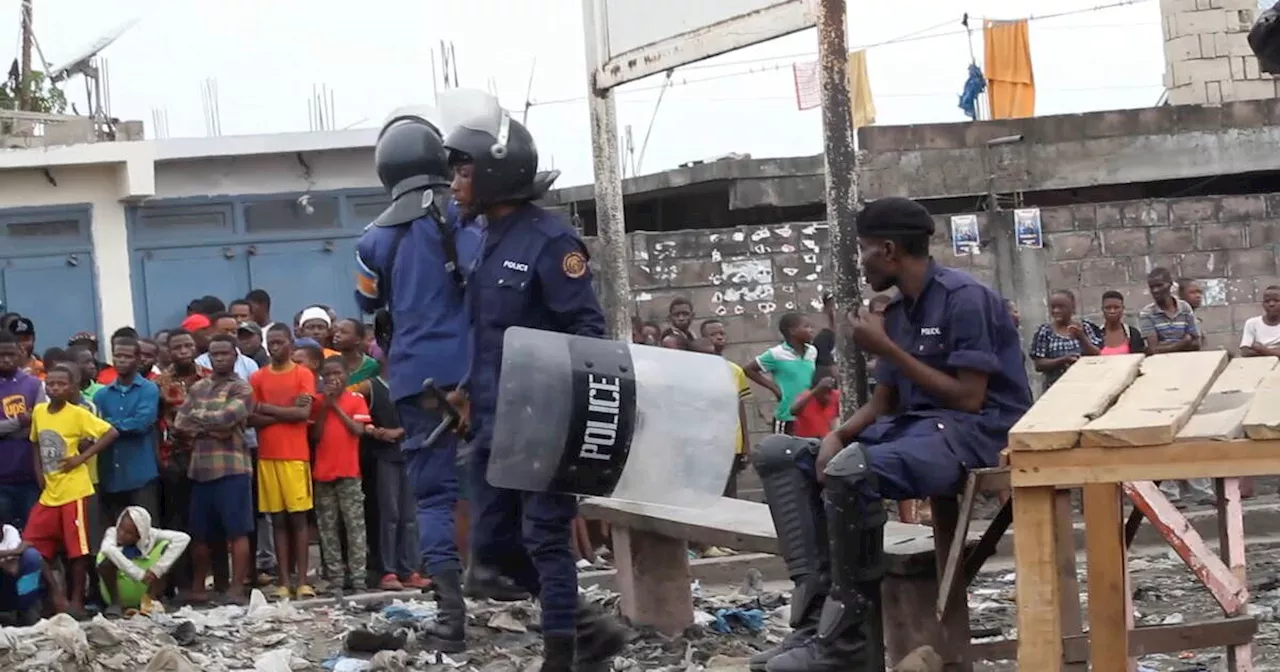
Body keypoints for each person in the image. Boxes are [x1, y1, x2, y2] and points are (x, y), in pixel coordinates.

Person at [750, 197, 1031, 671]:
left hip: (977, 431)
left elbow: (967, 397)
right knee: (783, 454)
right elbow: (886, 402)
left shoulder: (965, 298)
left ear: (887, 249)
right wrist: (838, 435)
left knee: (851, 472)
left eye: (862, 250)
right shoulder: (898, 311)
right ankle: (815, 625)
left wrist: (884, 348)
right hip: (916, 428)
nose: (860, 263)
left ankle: (847, 645)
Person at [444, 99, 627, 667]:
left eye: (464, 170)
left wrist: (566, 419)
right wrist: (466, 391)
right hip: (494, 418)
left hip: (544, 420)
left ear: (497, 172)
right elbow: (488, 332)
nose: (454, 183)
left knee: (546, 537)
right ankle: (591, 629)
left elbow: (587, 329)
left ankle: (563, 652)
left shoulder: (550, 242)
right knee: (492, 550)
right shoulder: (485, 239)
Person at [353, 107, 483, 650]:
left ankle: (451, 621)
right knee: (506, 487)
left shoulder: (372, 239)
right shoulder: (464, 217)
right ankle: (549, 606)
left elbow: (365, 302)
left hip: (414, 382)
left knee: (432, 499)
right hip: (478, 373)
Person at [26, 364, 120, 617]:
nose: (55, 388)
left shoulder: (78, 414)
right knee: (32, 545)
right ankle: (56, 595)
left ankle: (76, 600)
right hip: (50, 491)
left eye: (61, 384)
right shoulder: (39, 412)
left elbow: (110, 433)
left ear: (71, 388)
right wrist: (39, 474)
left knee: (77, 550)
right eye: (51, 384)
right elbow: (35, 444)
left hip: (75, 490)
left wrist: (81, 458)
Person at [173, 335, 255, 603]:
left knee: (237, 531)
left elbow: (228, 417)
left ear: (235, 356)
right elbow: (180, 423)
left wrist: (204, 422)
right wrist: (214, 427)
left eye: (224, 354)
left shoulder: (242, 389)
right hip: (200, 469)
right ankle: (199, 587)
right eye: (214, 354)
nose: (219, 358)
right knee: (200, 533)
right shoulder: (198, 388)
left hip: (232, 468)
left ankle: (236, 587)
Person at [249, 325, 316, 599]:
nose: (274, 348)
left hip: (295, 456)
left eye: (279, 342)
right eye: (271, 343)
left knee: (299, 520)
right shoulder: (257, 377)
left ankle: (302, 581)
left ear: (290, 343)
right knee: (277, 520)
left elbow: (304, 413)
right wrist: (286, 412)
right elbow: (250, 417)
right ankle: (283, 582)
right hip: (267, 457)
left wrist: (268, 409)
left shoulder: (303, 374)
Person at [362, 373, 428, 590]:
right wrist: (374, 431)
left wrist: (398, 431)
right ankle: (388, 571)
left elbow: (425, 416)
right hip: (384, 456)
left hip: (410, 454)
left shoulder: (413, 382)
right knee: (389, 515)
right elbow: (357, 412)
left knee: (409, 517)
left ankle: (409, 570)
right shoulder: (372, 386)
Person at [310, 357, 370, 593]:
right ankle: (335, 577)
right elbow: (314, 435)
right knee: (328, 528)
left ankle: (358, 578)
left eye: (337, 373)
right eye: (328, 375)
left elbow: (358, 430)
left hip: (349, 472)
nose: (333, 379)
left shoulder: (356, 400)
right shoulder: (317, 402)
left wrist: (335, 405)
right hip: (323, 473)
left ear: (347, 374)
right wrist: (326, 406)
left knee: (355, 527)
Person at [93, 338, 161, 524]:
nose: (121, 360)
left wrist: (108, 425)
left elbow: (141, 423)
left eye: (127, 356)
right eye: (117, 355)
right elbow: (93, 428)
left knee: (146, 531)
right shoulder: (101, 395)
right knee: (114, 533)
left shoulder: (148, 389)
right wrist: (111, 426)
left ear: (138, 359)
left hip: (140, 473)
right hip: (110, 475)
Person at [96, 506, 190, 616]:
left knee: (166, 548)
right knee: (107, 562)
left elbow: (183, 538)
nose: (121, 534)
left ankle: (151, 599)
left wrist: (157, 570)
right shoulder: (112, 533)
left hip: (146, 585)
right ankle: (116, 604)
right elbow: (107, 549)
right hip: (120, 588)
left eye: (129, 533)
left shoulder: (151, 535)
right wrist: (139, 574)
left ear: (140, 535)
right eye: (120, 528)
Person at [700, 319, 752, 498]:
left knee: (730, 494)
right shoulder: (695, 370)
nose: (719, 337)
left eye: (722, 333)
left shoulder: (735, 370)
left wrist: (746, 444)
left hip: (731, 442)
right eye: (713, 335)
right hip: (706, 443)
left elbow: (740, 407)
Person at [0, 331, 45, 529]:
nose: (6, 359)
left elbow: (40, 422)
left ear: (20, 353)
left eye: (11, 354)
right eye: (1, 355)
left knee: (33, 535)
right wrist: (20, 422)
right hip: (2, 478)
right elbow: (27, 422)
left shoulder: (34, 385)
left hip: (30, 476)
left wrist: (7, 430)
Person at [744, 313, 818, 435]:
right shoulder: (776, 354)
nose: (811, 330)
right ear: (793, 331)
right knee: (784, 451)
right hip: (787, 416)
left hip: (808, 414)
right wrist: (774, 388)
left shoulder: (812, 351)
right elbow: (749, 370)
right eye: (806, 327)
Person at [1028, 290, 1101, 392]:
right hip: (1055, 389)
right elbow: (1039, 365)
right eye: (1053, 307)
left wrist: (1082, 337)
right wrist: (1063, 360)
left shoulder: (1084, 327)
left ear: (1072, 308)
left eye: (1061, 307)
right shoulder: (1045, 331)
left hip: (1084, 386)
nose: (1056, 311)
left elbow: (1097, 354)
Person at [0, 523, 43, 626]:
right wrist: (16, 551)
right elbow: (16, 554)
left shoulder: (9, 531)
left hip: (12, 586)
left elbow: (13, 569)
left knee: (32, 556)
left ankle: (26, 610)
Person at [789, 373, 841, 440]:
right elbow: (793, 411)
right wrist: (815, 391)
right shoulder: (806, 398)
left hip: (826, 440)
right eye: (823, 393)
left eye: (829, 392)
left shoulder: (836, 396)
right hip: (806, 441)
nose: (827, 397)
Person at [332, 319, 379, 392]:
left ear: (358, 340)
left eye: (343, 332)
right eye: (337, 331)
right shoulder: (330, 362)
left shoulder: (372, 366)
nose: (337, 335)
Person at [1095, 290, 1146, 355]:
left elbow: (1139, 357)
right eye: (1108, 308)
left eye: (1116, 307)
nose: (1112, 311)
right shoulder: (1095, 334)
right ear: (1102, 309)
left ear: (1123, 309)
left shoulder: (1133, 334)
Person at [1241, 285, 1280, 357]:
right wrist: (1276, 351)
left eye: (1277, 300)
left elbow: (1253, 350)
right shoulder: (1252, 323)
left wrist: (1261, 349)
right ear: (1263, 304)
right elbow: (1245, 352)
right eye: (1267, 301)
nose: (1271, 304)